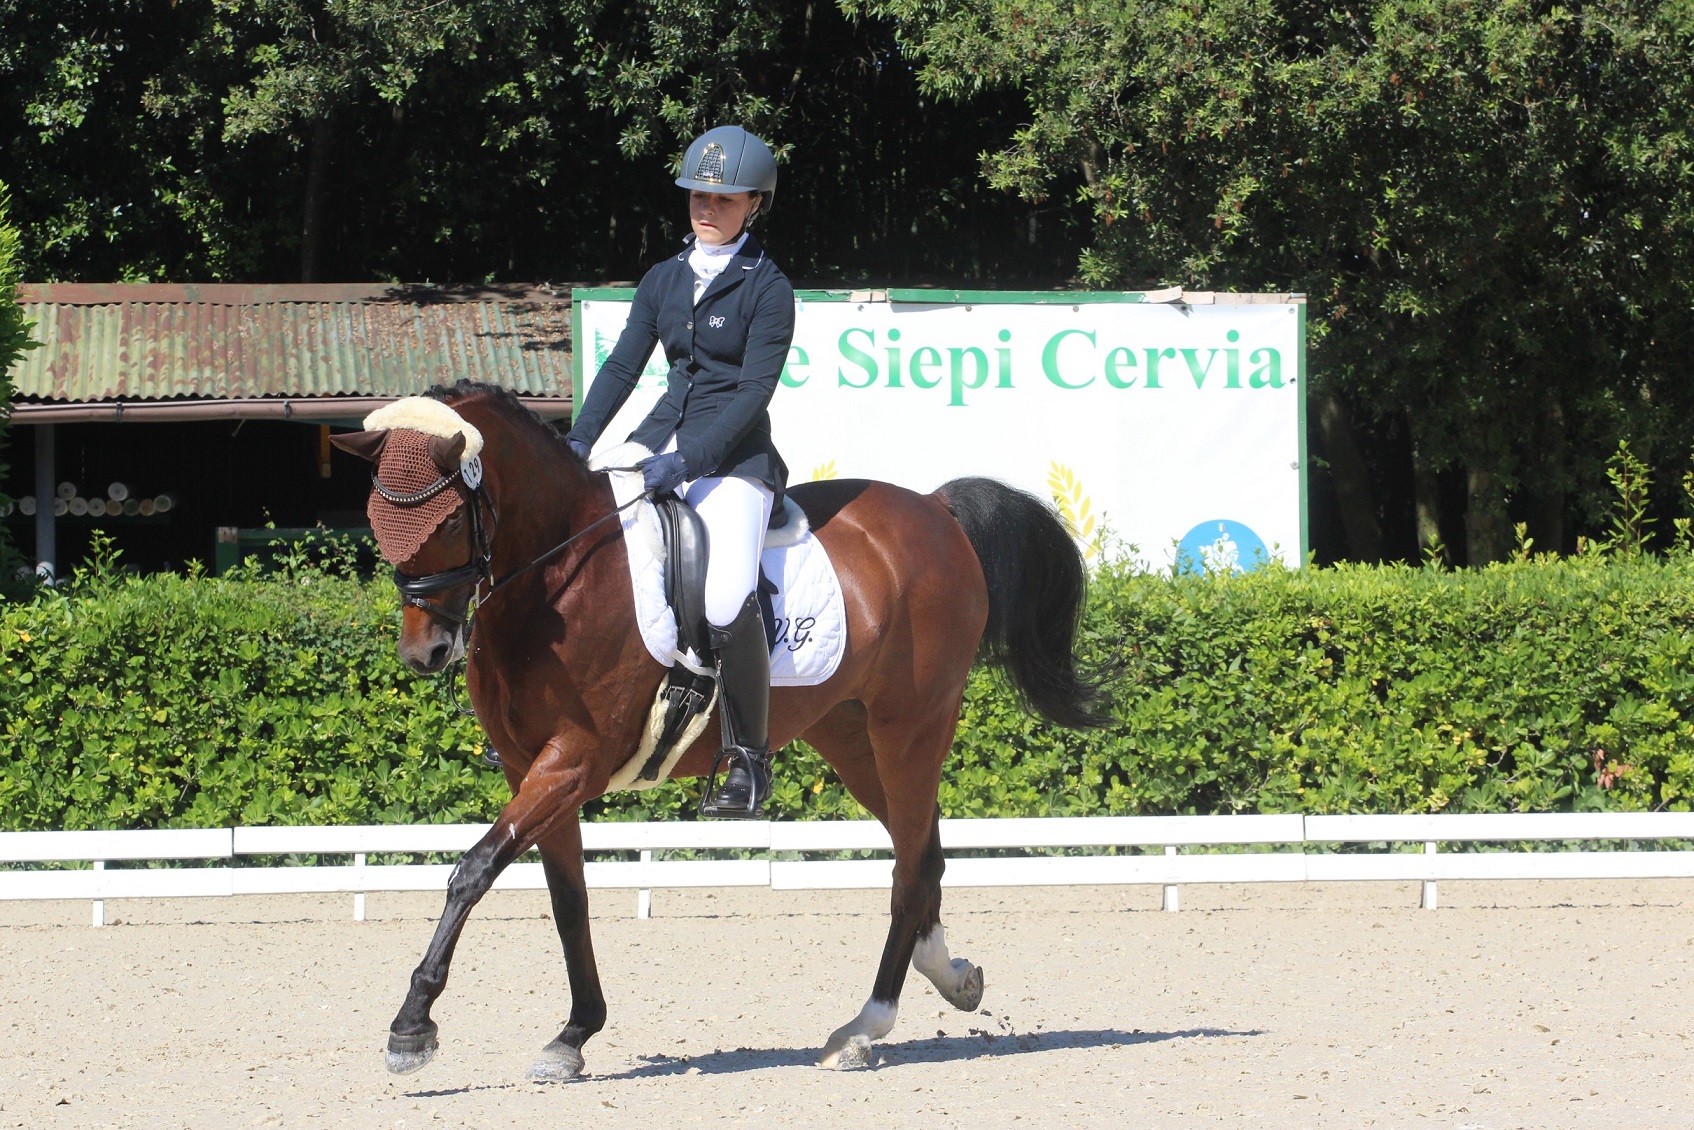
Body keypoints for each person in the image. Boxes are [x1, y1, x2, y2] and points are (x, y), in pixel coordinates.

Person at [564, 125, 794, 819]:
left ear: (754, 203)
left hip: (734, 462)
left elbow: (753, 394)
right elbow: (621, 367)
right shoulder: (663, 279)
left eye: (723, 198)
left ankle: (749, 760)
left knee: (724, 599)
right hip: (656, 441)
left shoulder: (770, 288)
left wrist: (689, 462)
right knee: (585, 548)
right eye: (698, 193)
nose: (706, 206)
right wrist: (577, 442)